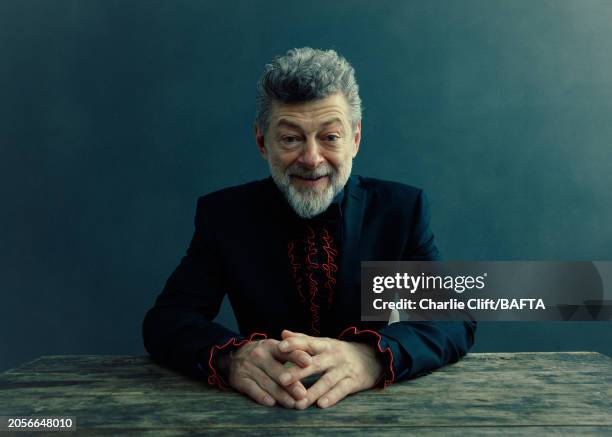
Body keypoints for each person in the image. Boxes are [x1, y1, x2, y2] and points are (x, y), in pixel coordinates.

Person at [142, 47, 476, 410]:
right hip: (260, 414)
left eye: (330, 137)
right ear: (261, 142)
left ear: (355, 139)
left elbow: (454, 317)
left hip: (379, 412)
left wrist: (371, 358)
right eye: (290, 139)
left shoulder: (400, 210)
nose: (312, 159)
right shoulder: (224, 216)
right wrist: (233, 358)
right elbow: (166, 320)